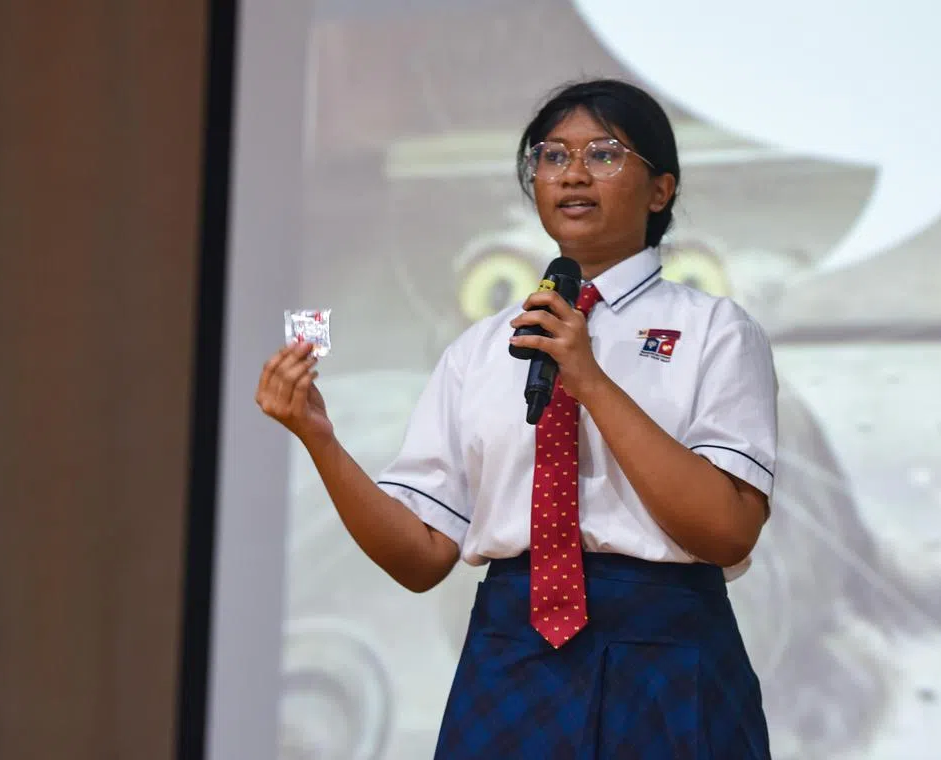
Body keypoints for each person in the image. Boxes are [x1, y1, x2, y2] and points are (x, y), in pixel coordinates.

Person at [256, 78, 778, 758]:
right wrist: (318, 438)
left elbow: (728, 530)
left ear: (661, 189)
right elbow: (421, 555)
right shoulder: (480, 348)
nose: (573, 174)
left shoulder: (714, 329)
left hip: (669, 650)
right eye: (552, 157)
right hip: (513, 652)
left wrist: (588, 379)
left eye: (605, 153)